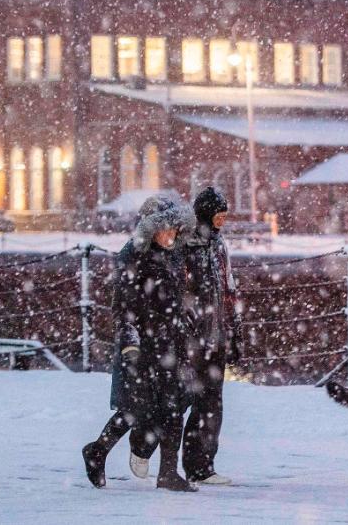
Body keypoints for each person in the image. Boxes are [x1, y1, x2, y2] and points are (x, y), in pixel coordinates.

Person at [81, 195, 196, 492]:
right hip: (142, 346)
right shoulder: (133, 255)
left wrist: (185, 320)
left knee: (172, 406)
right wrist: (131, 343)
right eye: (166, 229)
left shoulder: (173, 255)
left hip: (169, 342)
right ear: (151, 229)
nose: (172, 234)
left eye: (175, 228)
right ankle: (98, 450)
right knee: (136, 409)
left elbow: (176, 298)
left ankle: (168, 473)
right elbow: (123, 306)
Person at [128, 186, 242, 485]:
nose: (222, 220)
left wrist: (234, 330)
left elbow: (228, 290)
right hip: (189, 337)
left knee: (211, 402)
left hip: (214, 336)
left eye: (224, 215)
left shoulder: (219, 247)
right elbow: (174, 290)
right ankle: (143, 444)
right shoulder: (185, 246)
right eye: (218, 214)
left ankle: (200, 465)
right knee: (177, 399)